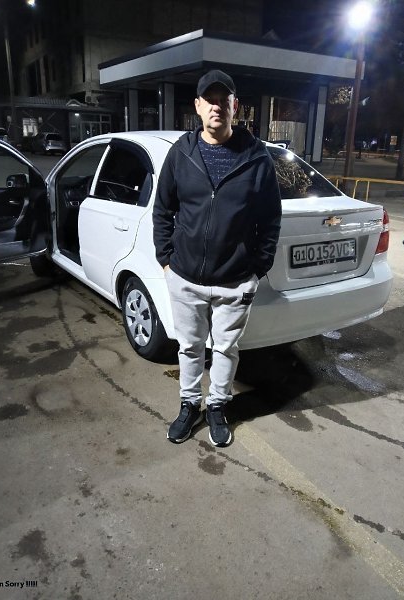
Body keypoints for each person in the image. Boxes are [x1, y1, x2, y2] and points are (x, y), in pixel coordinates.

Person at [153, 69, 281, 447]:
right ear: (197, 106)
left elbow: (270, 219)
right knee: (189, 347)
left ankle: (217, 406)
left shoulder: (256, 158)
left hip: (234, 280)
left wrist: (257, 269)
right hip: (185, 277)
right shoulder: (181, 153)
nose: (216, 107)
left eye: (224, 100)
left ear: (234, 106)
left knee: (225, 349)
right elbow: (162, 210)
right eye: (209, 100)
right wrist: (166, 261)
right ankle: (189, 404)